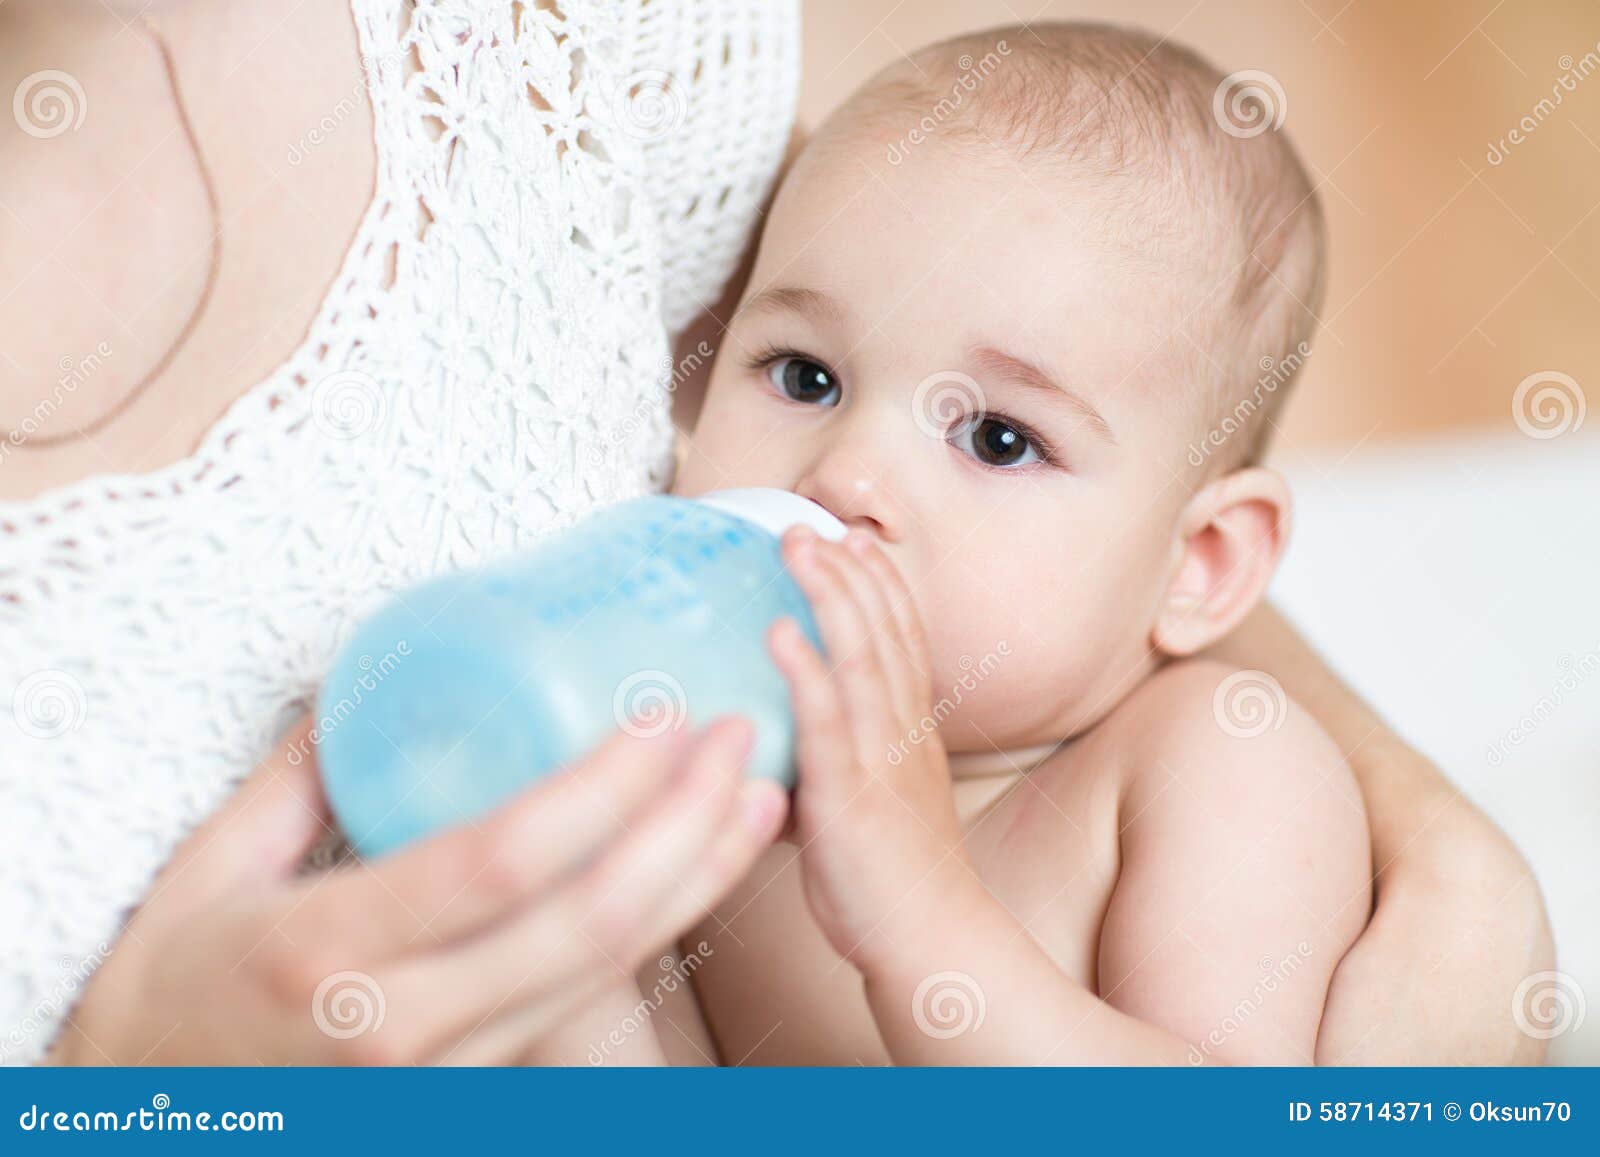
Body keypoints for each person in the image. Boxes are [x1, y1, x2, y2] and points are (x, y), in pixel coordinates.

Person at [0, 1, 1549, 1066]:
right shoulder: (718, 750)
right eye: (801, 373)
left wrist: (925, 916)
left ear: (1200, 566)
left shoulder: (1215, 766)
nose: (851, 467)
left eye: (998, 437)